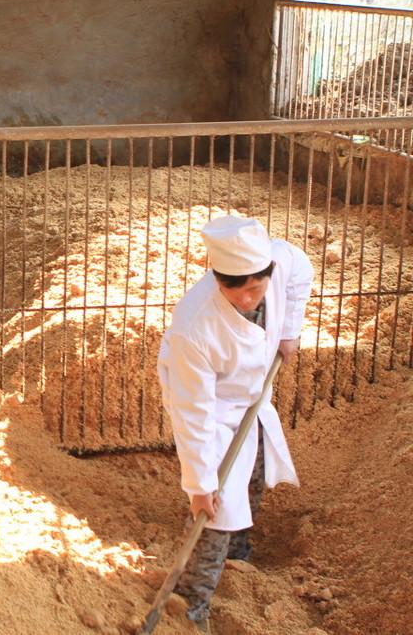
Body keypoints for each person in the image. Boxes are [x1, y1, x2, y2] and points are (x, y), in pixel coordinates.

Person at [156, 215, 313, 633]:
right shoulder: (195, 325)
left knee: (256, 471)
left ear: (267, 274)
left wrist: (290, 331)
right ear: (217, 278)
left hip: (251, 395)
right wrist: (199, 483)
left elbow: (302, 268)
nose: (246, 300)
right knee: (216, 506)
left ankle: (239, 559)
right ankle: (193, 604)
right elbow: (194, 414)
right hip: (214, 405)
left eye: (255, 289)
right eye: (233, 290)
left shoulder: (279, 263)